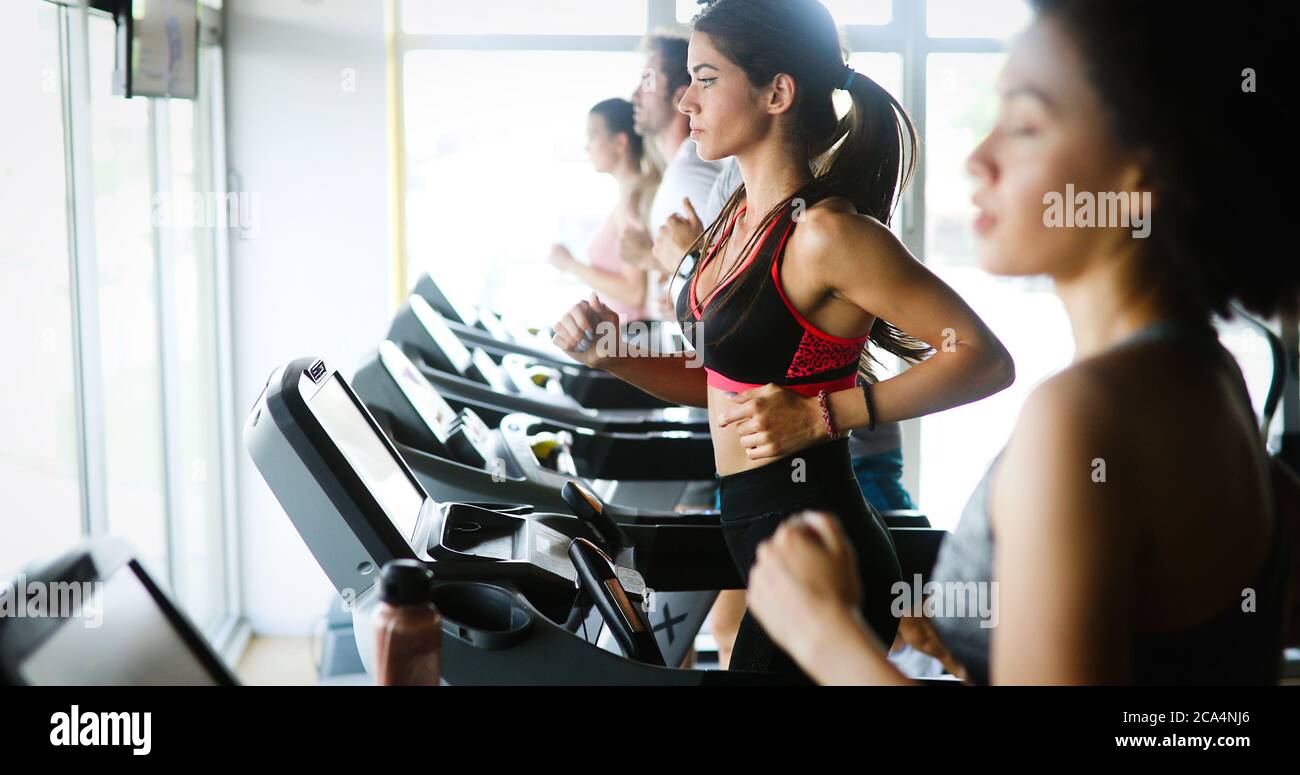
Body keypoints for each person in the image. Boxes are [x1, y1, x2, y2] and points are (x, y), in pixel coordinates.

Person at [746, 0, 1297, 685]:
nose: (979, 157)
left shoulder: (1085, 417)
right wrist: (974, 650)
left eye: (1027, 125)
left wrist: (823, 630)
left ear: (1141, 178)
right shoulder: (1210, 380)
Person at [551, 0, 1013, 676]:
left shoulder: (828, 234)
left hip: (827, 549)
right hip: (762, 541)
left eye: (705, 79)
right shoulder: (738, 217)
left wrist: (826, 413)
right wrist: (609, 354)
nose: (683, 99)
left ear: (778, 92)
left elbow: (984, 359)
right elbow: (721, 385)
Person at [624, 33, 724, 320]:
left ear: (680, 96)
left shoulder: (690, 175)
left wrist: (650, 258)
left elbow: (731, 278)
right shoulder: (679, 170)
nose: (634, 95)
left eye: (647, 81)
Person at [548, 98, 656, 321]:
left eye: (593, 135)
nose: (587, 146)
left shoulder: (633, 203)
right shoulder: (630, 197)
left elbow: (634, 292)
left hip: (637, 334)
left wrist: (569, 264)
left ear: (620, 143)